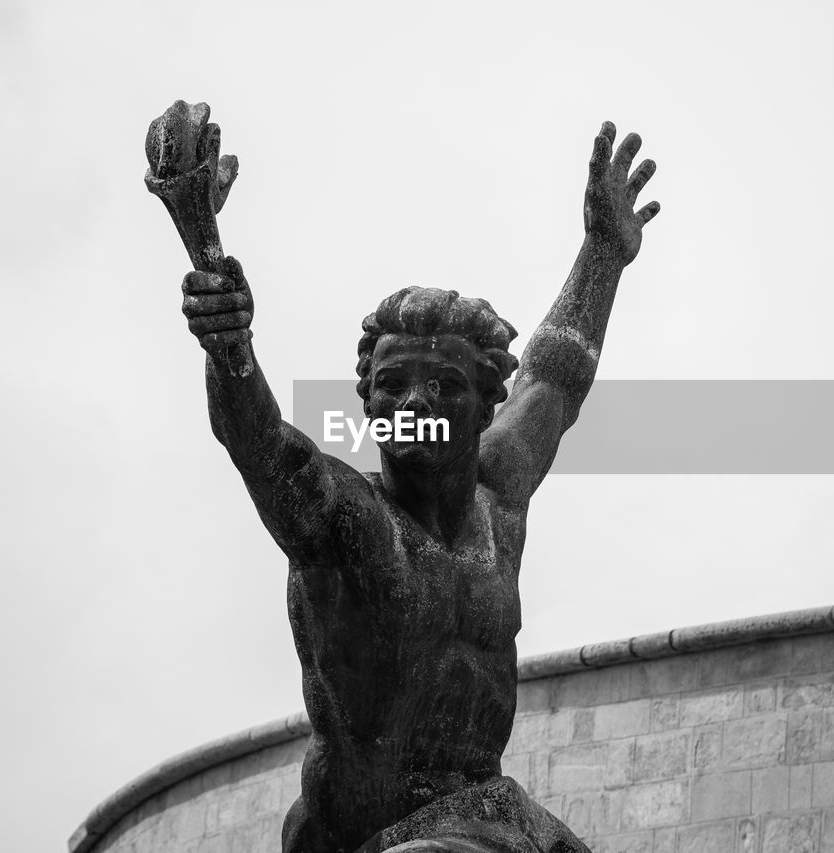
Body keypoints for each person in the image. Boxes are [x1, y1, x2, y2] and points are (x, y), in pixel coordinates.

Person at [179, 121, 660, 853]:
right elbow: (258, 442)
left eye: (443, 385)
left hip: (483, 816)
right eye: (393, 385)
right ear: (367, 404)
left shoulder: (499, 495)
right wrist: (229, 343)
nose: (414, 404)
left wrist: (602, 253)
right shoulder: (348, 518)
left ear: (483, 406)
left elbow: (555, 377)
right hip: (364, 837)